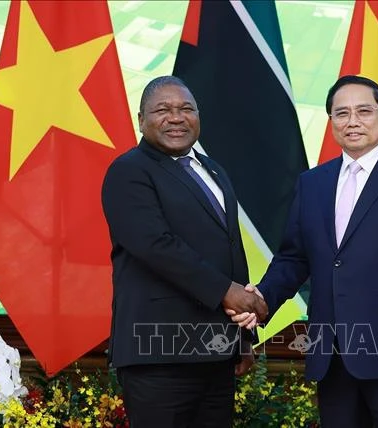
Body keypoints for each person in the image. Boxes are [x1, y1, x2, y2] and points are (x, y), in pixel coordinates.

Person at [231, 75, 378, 427]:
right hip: (333, 358)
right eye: (341, 113)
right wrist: (260, 300)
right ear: (331, 122)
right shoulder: (313, 183)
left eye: (364, 111)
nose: (352, 121)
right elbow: (295, 257)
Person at [101, 75, 268, 428]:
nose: (176, 117)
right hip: (159, 355)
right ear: (141, 120)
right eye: (162, 109)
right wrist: (227, 291)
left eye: (185, 109)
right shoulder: (128, 171)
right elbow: (155, 245)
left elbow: (231, 252)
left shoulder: (213, 170)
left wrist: (243, 337)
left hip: (216, 352)